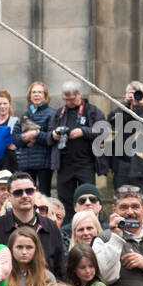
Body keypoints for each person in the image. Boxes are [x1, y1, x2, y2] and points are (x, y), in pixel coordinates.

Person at [49, 82, 109, 218]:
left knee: (88, 198)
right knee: (65, 200)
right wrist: (54, 134)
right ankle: (67, 229)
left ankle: (91, 223)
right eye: (66, 99)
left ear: (79, 95)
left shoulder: (91, 111)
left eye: (71, 99)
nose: (68, 102)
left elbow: (103, 129)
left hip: (85, 163)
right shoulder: (59, 113)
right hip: (64, 164)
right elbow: (48, 135)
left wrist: (83, 131)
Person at [0, 170, 64, 278]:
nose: (25, 195)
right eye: (18, 192)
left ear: (34, 192)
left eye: (29, 191)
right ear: (9, 197)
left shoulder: (50, 226)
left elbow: (60, 268)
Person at [107, 82, 143, 196]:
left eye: (138, 93)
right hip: (122, 164)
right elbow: (113, 122)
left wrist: (139, 108)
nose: (135, 96)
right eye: (131, 93)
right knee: (121, 198)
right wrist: (125, 105)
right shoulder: (122, 110)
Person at [13, 81, 55, 197]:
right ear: (29, 96)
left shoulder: (52, 114)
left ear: (45, 96)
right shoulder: (24, 115)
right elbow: (15, 139)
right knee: (26, 194)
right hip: (25, 163)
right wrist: (25, 137)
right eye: (34, 92)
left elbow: (51, 138)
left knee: (44, 195)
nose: (36, 95)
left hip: (44, 163)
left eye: (40, 92)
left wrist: (36, 134)